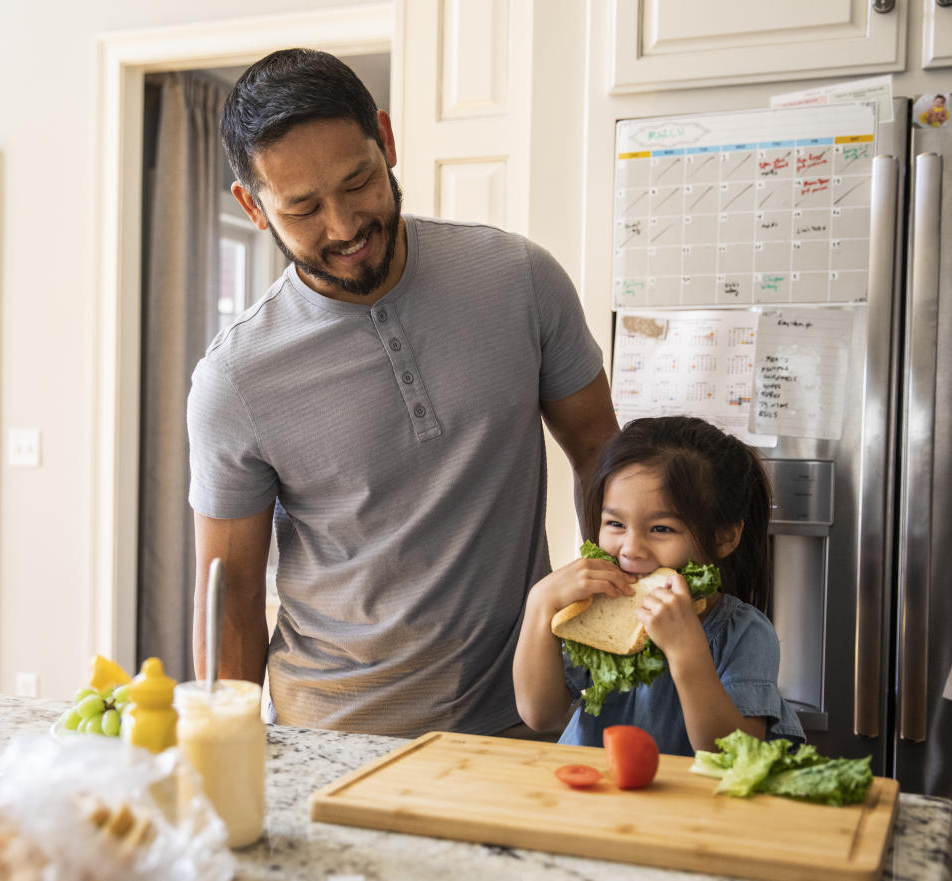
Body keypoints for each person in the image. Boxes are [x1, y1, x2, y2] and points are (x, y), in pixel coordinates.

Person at [187, 48, 619, 738]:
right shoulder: (234, 378)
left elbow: (601, 450)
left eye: (358, 181)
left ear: (385, 140)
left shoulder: (519, 278)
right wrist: (226, 755)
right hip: (331, 736)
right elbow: (231, 596)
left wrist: (608, 629)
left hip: (524, 721)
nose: (344, 226)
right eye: (302, 208)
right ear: (254, 207)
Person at [512, 416, 805, 755]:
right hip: (595, 794)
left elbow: (734, 754)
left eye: (661, 529)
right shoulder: (594, 609)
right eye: (615, 523)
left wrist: (685, 650)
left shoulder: (743, 632)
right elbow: (540, 715)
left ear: (724, 537)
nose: (631, 549)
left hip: (690, 804)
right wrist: (540, 604)